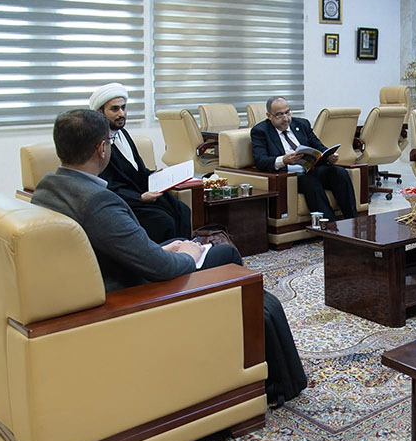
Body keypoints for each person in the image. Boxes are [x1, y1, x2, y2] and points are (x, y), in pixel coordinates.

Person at [33, 109, 306, 406]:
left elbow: (116, 247)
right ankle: (271, 375)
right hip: (126, 294)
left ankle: (253, 350)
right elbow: (160, 269)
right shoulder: (98, 202)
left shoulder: (48, 187)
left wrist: (164, 249)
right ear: (102, 148)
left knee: (198, 250)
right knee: (224, 255)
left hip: (103, 276)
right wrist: (188, 254)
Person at [89, 82, 192, 243]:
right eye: (115, 109)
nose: (121, 113)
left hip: (142, 194)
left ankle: (187, 252)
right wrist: (140, 198)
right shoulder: (97, 143)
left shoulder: (123, 133)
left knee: (182, 210)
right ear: (100, 112)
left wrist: (154, 174)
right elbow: (106, 186)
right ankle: (169, 256)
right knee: (162, 221)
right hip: (126, 202)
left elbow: (137, 171)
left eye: (123, 107)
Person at [250, 96, 358, 221]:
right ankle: (329, 226)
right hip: (290, 176)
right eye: (279, 115)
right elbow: (260, 161)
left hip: (311, 169)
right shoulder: (260, 131)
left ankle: (353, 221)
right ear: (269, 116)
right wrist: (283, 160)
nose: (285, 118)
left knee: (339, 173)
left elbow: (318, 146)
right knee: (311, 183)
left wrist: (329, 156)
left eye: (287, 112)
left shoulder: (302, 124)